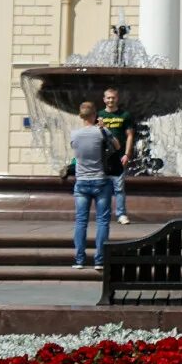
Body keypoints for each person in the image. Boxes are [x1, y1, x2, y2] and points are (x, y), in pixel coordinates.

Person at [68, 101, 114, 268]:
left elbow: (77, 151)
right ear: (95, 115)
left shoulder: (74, 134)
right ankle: (99, 261)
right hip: (101, 181)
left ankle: (79, 260)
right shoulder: (102, 132)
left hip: (81, 183)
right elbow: (117, 147)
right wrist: (103, 128)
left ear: (81, 116)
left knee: (81, 222)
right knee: (102, 222)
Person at [97, 87, 133, 225]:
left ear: (117, 99)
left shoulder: (125, 115)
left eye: (113, 97)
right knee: (102, 186)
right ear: (104, 99)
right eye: (108, 97)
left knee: (119, 187)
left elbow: (130, 135)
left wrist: (126, 154)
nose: (111, 100)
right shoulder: (99, 115)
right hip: (102, 156)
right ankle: (103, 213)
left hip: (118, 156)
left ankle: (121, 214)